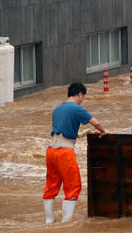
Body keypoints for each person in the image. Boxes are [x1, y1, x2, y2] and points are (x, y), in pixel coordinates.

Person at [43, 83, 106, 224]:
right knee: (73, 186)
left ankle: (49, 220)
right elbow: (95, 122)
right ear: (79, 94)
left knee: (51, 185)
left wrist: (80, 134)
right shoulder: (77, 108)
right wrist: (104, 132)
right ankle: (66, 222)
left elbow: (62, 129)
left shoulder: (57, 109)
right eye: (83, 97)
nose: (82, 99)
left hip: (51, 151)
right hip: (65, 152)